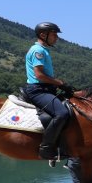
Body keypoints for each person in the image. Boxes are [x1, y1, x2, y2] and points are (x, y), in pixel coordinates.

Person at [24, 22, 74, 160]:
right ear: (43, 35)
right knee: (61, 113)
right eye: (54, 34)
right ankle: (46, 148)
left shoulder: (44, 50)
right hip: (37, 90)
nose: (56, 37)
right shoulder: (37, 51)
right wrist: (59, 82)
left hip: (46, 88)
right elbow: (39, 75)